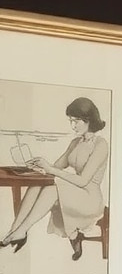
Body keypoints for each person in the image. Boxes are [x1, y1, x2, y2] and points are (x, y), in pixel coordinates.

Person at [0, 97, 108, 260]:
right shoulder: (75, 142)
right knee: (37, 184)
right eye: (71, 121)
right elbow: (57, 167)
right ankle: (14, 230)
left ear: (89, 120)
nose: (73, 125)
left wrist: (50, 169)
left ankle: (22, 231)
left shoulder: (101, 144)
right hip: (75, 192)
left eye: (76, 121)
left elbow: (83, 181)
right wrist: (40, 167)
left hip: (90, 198)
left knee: (51, 188)